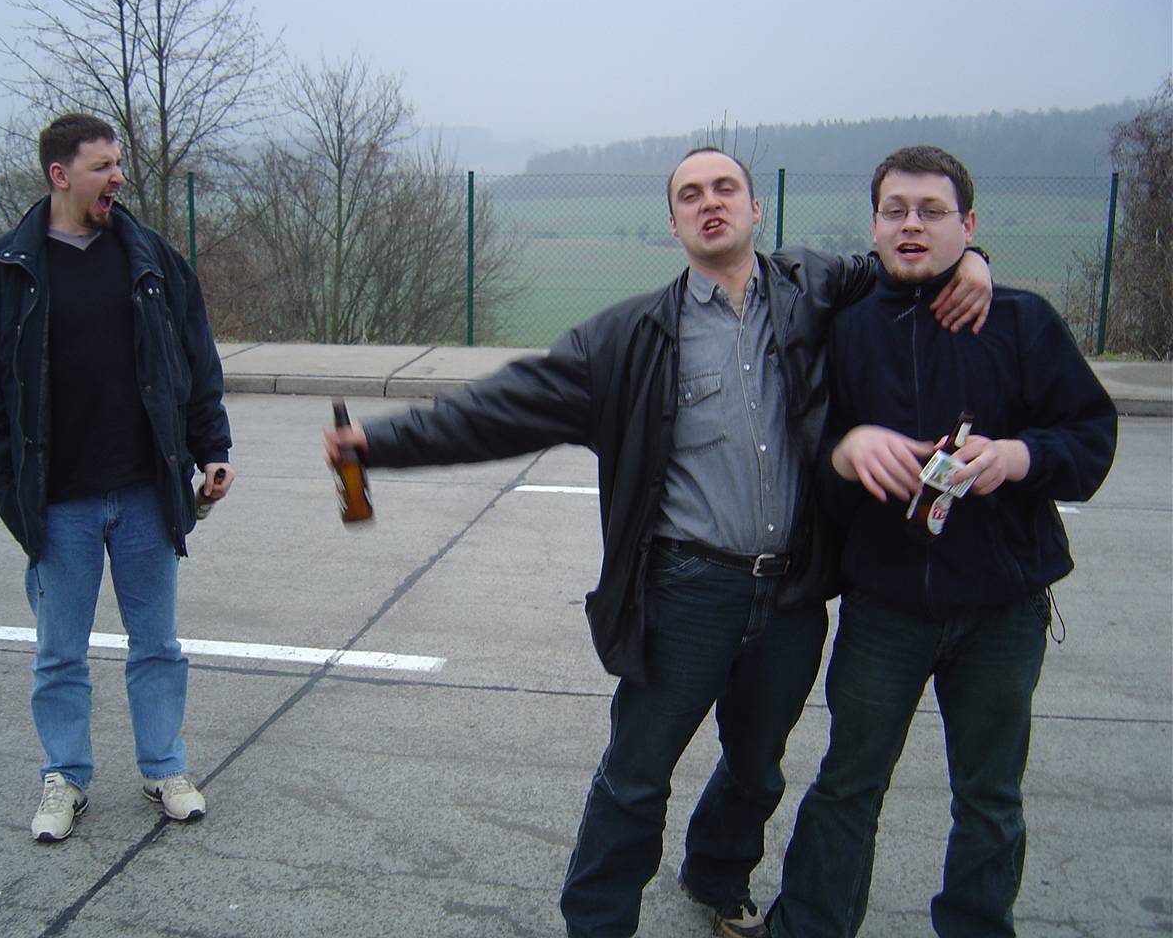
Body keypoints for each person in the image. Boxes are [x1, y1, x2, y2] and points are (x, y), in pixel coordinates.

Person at [324, 147, 992, 938]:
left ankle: (717, 874)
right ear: (673, 223)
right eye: (690, 195)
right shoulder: (627, 338)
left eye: (725, 188)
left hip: (792, 594)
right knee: (636, 777)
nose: (710, 203)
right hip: (686, 592)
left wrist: (975, 260)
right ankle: (597, 922)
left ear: (754, 209)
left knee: (757, 768)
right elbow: (504, 407)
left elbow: (906, 258)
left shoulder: (814, 289)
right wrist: (382, 442)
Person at [767, 146, 1117, 938]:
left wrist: (1019, 457)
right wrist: (845, 449)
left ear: (969, 224)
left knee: (989, 799)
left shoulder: (1021, 320)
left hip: (1003, 611)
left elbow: (1091, 439)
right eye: (895, 210)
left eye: (932, 210)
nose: (912, 225)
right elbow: (803, 461)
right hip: (885, 609)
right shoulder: (845, 330)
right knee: (848, 785)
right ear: (874, 225)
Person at [0, 113, 234, 843]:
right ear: (60, 174)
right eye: (103, 166)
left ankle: (165, 769)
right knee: (59, 655)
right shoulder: (6, 272)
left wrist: (211, 448)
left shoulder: (152, 259)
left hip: (145, 493)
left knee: (158, 646)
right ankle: (65, 778)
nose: (118, 178)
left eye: (118, 164)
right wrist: (9, 483)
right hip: (57, 505)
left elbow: (195, 361)